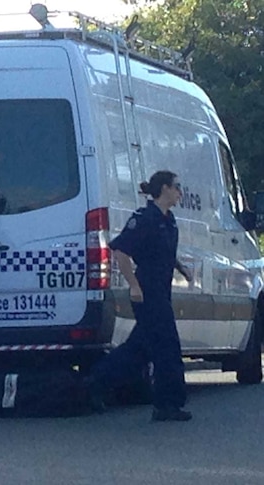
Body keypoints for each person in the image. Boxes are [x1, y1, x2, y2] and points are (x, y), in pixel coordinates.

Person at [86, 170, 194, 422]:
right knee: (167, 348)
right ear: (164, 188)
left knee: (139, 349)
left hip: (162, 292)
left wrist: (181, 268)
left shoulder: (169, 220)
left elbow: (162, 250)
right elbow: (121, 251)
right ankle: (168, 405)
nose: (180, 192)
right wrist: (133, 285)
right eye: (177, 187)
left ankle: (95, 382)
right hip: (147, 293)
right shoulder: (144, 218)